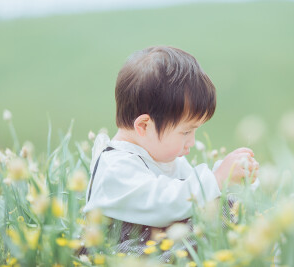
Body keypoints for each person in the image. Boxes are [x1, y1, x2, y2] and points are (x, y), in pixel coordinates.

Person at [81, 46, 259, 260]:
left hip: (157, 242)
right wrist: (217, 179)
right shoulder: (115, 167)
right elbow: (165, 204)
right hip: (124, 253)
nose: (191, 142)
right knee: (215, 221)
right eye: (185, 131)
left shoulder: (162, 157)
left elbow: (189, 193)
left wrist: (229, 179)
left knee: (230, 206)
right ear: (144, 126)